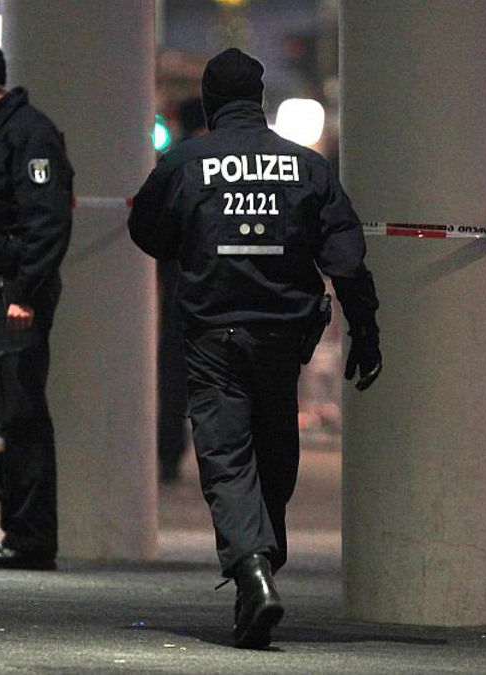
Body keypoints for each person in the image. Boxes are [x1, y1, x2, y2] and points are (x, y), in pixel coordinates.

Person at [128, 47, 381, 649]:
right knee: (274, 455)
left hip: (213, 334)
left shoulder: (185, 162)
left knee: (227, 458)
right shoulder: (306, 167)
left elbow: (146, 231)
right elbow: (345, 255)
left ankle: (253, 570)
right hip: (282, 339)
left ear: (211, 102)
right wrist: (366, 329)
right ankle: (260, 570)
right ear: (259, 100)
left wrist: (192, 243)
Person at [0, 41, 74, 571]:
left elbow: (47, 220)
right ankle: (18, 530)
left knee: (19, 411)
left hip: (14, 290)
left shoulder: (29, 134)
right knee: (1, 409)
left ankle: (31, 537)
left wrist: (24, 294)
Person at [157, 97, 210, 484]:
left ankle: (169, 453)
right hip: (219, 283)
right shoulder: (222, 161)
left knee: (174, 375)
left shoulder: (172, 162)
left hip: (179, 283)